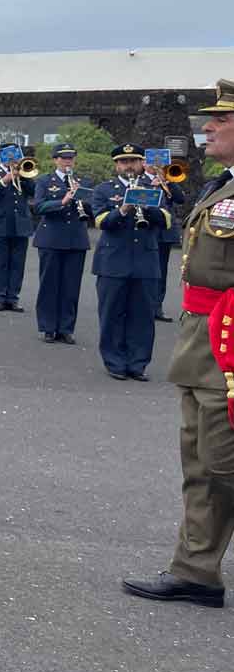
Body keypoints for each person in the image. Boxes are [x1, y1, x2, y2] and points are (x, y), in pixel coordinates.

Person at [122, 80, 234, 608]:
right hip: (203, 341)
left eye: (220, 121)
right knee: (203, 466)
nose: (206, 127)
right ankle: (196, 571)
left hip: (229, 344)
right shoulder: (222, 185)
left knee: (223, 466)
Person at [90, 144, 167, 380]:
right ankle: (114, 362)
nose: (129, 166)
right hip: (113, 261)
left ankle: (137, 363)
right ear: (116, 165)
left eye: (134, 161)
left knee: (143, 316)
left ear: (141, 164)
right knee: (112, 313)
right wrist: (123, 209)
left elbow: (166, 219)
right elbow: (100, 221)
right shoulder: (104, 189)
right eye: (124, 162)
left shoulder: (153, 188)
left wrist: (148, 207)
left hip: (145, 260)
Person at [32, 143, 93, 344]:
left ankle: (66, 328)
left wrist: (85, 203)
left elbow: (94, 209)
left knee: (71, 286)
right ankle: (48, 327)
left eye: (70, 157)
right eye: (63, 158)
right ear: (55, 160)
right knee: (49, 285)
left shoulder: (83, 181)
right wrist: (63, 201)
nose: (67, 161)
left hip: (76, 239)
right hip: (51, 238)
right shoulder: (44, 181)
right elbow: (39, 206)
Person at [0, 145, 36, 312]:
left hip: (20, 224)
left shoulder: (24, 172)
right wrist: (4, 180)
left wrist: (23, 176)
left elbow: (34, 192)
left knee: (17, 263)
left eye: (15, 155)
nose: (12, 158)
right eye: (8, 155)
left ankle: (13, 297)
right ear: (1, 157)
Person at [148, 160, 187, 323]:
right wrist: (152, 187)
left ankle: (157, 307)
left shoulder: (168, 180)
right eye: (152, 162)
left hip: (165, 232)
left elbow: (180, 199)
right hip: (147, 230)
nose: (157, 166)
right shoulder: (140, 180)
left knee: (161, 271)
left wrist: (167, 182)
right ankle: (143, 306)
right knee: (145, 270)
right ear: (144, 163)